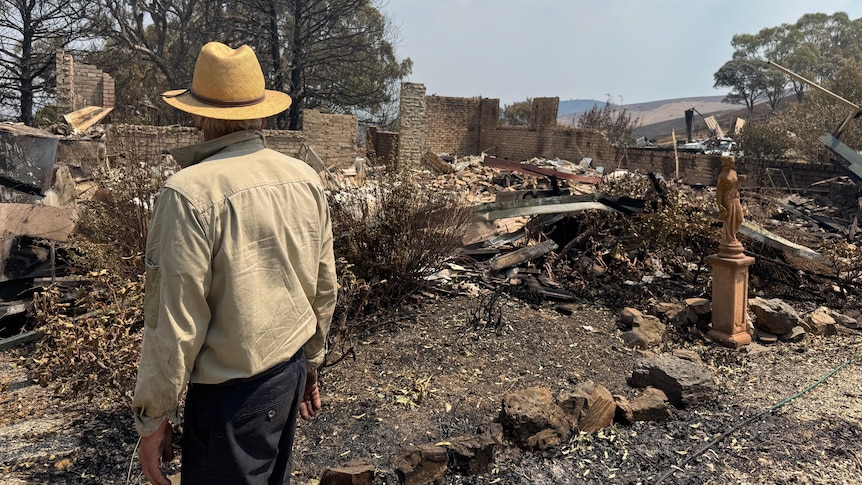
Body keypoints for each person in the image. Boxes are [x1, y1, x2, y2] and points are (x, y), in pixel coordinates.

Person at [131, 42, 337, 485]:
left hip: (231, 402)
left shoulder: (188, 193)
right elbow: (324, 289)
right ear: (262, 115)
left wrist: (153, 419)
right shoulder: (304, 178)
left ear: (198, 116)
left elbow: (173, 324)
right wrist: (311, 368)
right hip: (288, 375)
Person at [716, 155, 746, 250]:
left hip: (736, 197)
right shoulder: (722, 175)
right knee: (729, 220)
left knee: (739, 218)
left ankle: (733, 236)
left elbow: (736, 186)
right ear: (727, 163)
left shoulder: (734, 173)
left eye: (734, 162)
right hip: (727, 199)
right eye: (732, 162)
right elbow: (719, 190)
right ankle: (728, 238)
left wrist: (740, 181)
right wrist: (719, 204)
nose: (733, 164)